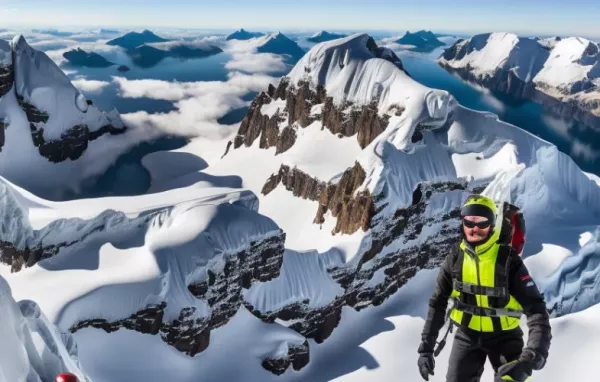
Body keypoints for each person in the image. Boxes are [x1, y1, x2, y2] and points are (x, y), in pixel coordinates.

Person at [417, 194, 551, 382]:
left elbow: (537, 310)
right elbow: (437, 303)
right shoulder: (454, 258)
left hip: (506, 338)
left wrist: (532, 356)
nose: (474, 229)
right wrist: (426, 348)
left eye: (481, 222)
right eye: (469, 222)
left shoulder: (508, 261)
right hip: (466, 335)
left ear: (491, 224)